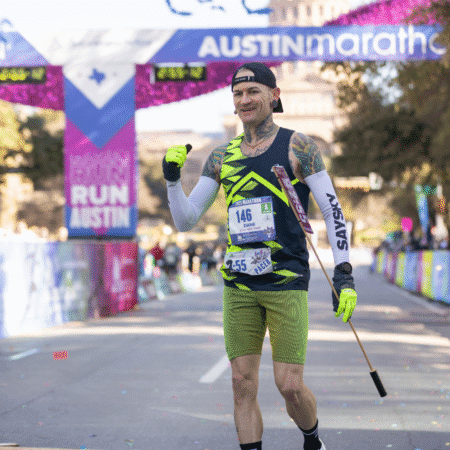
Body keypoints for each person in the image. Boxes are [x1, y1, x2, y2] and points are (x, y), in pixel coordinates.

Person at [162, 62, 357, 450]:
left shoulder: (299, 146)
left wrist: (345, 274)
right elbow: (185, 220)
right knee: (241, 383)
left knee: (289, 386)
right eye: (238, 94)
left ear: (274, 96)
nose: (245, 99)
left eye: (253, 92)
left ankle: (311, 437)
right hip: (239, 283)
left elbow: (332, 209)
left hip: (285, 282)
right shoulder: (222, 156)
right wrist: (171, 179)